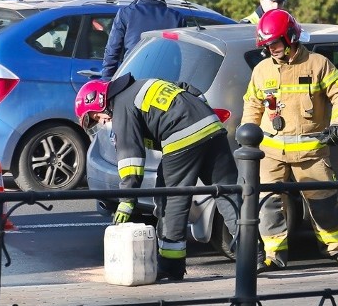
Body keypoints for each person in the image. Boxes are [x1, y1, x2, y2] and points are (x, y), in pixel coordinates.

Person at [75, 76, 241, 281]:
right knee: (227, 191)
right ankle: (253, 253)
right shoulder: (142, 85)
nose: (102, 121)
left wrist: (126, 201)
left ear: (100, 100)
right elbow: (188, 88)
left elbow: (131, 160)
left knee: (170, 200)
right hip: (212, 126)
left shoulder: (122, 107)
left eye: (96, 117)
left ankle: (172, 265)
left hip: (182, 138)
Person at [241, 9, 338, 273]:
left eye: (275, 42)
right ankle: (274, 256)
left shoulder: (318, 64)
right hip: (270, 152)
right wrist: (247, 135)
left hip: (311, 153)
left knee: (325, 204)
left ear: (290, 37)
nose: (271, 49)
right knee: (268, 206)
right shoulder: (261, 70)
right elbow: (252, 104)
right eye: (267, 45)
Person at [100, 0, 185, 79]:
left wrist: (107, 81)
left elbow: (112, 51)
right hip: (165, 82)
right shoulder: (177, 17)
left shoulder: (126, 13)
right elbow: (182, 55)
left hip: (131, 79)